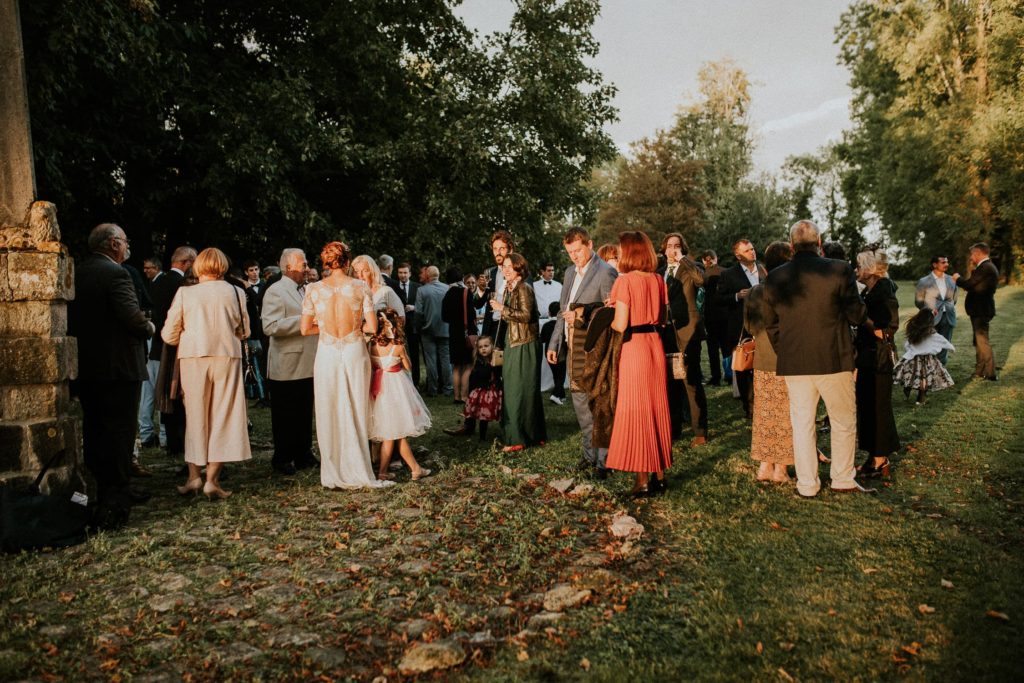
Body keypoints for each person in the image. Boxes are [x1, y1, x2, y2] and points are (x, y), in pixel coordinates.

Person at [763, 220, 869, 498]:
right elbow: (856, 314)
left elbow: (770, 323)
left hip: (795, 360)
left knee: (802, 424)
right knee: (843, 420)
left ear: (792, 245)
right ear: (819, 243)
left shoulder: (775, 277)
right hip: (834, 357)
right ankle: (842, 478)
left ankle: (807, 484)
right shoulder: (840, 270)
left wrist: (784, 347)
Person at [69, 223, 156, 528]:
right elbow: (132, 317)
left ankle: (104, 490)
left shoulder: (77, 271)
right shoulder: (116, 274)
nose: (127, 246)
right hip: (119, 367)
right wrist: (150, 327)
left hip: (88, 367)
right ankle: (115, 500)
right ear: (114, 244)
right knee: (120, 433)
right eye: (125, 241)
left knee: (96, 430)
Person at [300, 241, 393, 489]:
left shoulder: (313, 289)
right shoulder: (360, 286)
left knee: (328, 407)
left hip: (327, 352)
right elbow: (372, 327)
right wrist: (353, 328)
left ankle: (333, 470)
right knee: (356, 405)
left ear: (326, 262)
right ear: (347, 261)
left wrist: (327, 328)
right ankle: (358, 466)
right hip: (353, 350)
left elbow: (305, 328)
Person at [161, 247, 251, 500]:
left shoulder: (185, 293)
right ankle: (212, 480)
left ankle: (193, 478)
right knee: (224, 415)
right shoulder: (236, 292)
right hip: (226, 355)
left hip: (193, 357)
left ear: (198, 266)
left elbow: (168, 334)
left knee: (196, 416)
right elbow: (245, 332)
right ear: (222, 266)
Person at [546, 227, 618, 477]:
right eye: (569, 253)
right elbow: (562, 311)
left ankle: (605, 461)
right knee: (579, 405)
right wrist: (555, 343)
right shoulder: (568, 273)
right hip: (572, 347)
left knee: (599, 405)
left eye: (578, 250)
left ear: (590, 244)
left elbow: (611, 313)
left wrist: (582, 314)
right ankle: (589, 456)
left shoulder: (606, 271)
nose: (574, 256)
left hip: (594, 349)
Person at [606, 231, 673, 496]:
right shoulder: (658, 279)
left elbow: (620, 324)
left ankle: (642, 478)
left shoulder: (624, 282)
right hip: (655, 344)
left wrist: (606, 317)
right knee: (657, 406)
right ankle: (659, 475)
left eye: (622, 250)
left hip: (634, 347)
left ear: (630, 252)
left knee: (637, 408)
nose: (620, 254)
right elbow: (665, 316)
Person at [261, 248, 319, 476]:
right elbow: (270, 326)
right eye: (303, 265)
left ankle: (303, 453)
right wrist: (303, 321)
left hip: (308, 360)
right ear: (289, 268)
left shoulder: (306, 289)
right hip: (286, 363)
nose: (306, 269)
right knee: (285, 413)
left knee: (304, 410)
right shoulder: (275, 291)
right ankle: (282, 457)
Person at [744, 241, 795, 483]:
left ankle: (765, 466)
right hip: (787, 358)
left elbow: (748, 326)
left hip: (762, 358)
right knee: (786, 415)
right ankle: (781, 470)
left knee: (764, 414)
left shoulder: (755, 291)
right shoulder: (791, 291)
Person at [490, 253, 547, 452]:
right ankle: (532, 434)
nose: (505, 270)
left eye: (509, 266)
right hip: (514, 341)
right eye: (503, 266)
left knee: (518, 389)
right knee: (520, 388)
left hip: (524, 343)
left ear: (518, 269)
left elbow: (526, 315)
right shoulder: (511, 288)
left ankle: (518, 438)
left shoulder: (524, 288)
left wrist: (501, 308)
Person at [367, 308, 432, 480]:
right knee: (396, 433)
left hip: (379, 391)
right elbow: (408, 367)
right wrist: (403, 355)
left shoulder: (371, 346)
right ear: (394, 328)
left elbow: (372, 366)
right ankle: (414, 469)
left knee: (390, 434)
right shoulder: (398, 347)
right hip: (395, 391)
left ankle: (384, 471)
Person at [854, 247, 900, 478]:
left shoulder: (883, 292)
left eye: (860, 266)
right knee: (867, 407)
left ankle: (881, 459)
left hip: (878, 358)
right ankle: (874, 455)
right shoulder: (870, 291)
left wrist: (864, 321)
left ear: (870, 269)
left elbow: (887, 330)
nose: (856, 270)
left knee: (878, 407)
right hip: (867, 357)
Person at [150, 246, 197, 459]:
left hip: (160, 345)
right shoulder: (182, 286)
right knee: (177, 393)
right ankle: (179, 441)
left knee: (166, 394)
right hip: (177, 346)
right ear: (187, 263)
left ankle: (170, 440)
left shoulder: (158, 282)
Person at [661, 233, 707, 447]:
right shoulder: (660, 273)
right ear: (663, 249)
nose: (673, 249)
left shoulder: (690, 267)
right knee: (670, 383)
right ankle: (674, 428)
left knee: (691, 380)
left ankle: (700, 431)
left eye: (677, 246)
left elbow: (701, 280)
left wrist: (683, 260)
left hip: (688, 331)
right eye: (669, 246)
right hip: (666, 331)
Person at [717, 239, 766, 418]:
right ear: (738, 255)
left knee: (763, 365)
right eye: (747, 251)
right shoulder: (729, 274)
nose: (752, 252)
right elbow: (719, 299)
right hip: (740, 327)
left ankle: (763, 401)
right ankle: (749, 406)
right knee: (744, 368)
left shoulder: (763, 270)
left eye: (752, 249)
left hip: (764, 326)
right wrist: (737, 296)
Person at [952, 242, 999, 380]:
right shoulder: (986, 267)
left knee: (982, 341)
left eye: (972, 254)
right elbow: (975, 286)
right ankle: (980, 371)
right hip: (979, 309)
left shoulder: (985, 268)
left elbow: (970, 284)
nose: (971, 257)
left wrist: (957, 279)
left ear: (978, 253)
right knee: (978, 341)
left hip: (981, 310)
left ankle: (990, 373)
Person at [894, 308, 955, 405]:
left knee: (914, 376)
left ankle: (909, 388)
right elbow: (943, 341)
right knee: (924, 378)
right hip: (928, 361)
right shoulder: (932, 335)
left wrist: (910, 351)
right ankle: (920, 397)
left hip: (914, 359)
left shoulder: (915, 333)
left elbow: (907, 344)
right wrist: (951, 348)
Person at [441, 267, 477, 403]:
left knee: (456, 366)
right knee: (468, 366)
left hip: (453, 332)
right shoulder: (466, 292)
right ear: (461, 278)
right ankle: (464, 395)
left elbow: (444, 317)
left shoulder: (447, 294)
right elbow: (472, 314)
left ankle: (456, 397)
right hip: (467, 333)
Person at [415, 266, 452, 397]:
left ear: (427, 276)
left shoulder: (422, 290)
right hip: (445, 328)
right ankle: (448, 388)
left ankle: (433, 389)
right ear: (438, 275)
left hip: (428, 329)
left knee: (431, 361)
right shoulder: (447, 288)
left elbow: (418, 312)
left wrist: (417, 329)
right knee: (446, 360)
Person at [914, 255, 957, 365]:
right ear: (934, 264)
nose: (946, 264)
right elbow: (919, 301)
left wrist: (948, 308)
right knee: (929, 344)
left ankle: (941, 370)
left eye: (947, 262)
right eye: (943, 262)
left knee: (944, 345)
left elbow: (954, 299)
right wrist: (929, 311)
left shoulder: (951, 280)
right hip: (931, 319)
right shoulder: (924, 281)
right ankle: (930, 368)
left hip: (948, 317)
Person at [481, 230, 514, 341]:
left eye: (502, 249)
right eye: (495, 249)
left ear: (510, 249)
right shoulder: (489, 273)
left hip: (512, 327)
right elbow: (478, 303)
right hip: (492, 327)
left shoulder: (520, 272)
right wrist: (480, 290)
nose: (497, 252)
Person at [700, 250, 726, 386]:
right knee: (728, 347)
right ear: (716, 258)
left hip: (710, 316)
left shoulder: (703, 275)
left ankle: (716, 377)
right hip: (725, 314)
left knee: (712, 348)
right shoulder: (726, 272)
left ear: (704, 260)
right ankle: (730, 375)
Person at [353, 255, 404, 320]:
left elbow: (401, 319)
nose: (360, 275)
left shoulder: (385, 291)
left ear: (373, 272)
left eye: (365, 271)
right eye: (356, 271)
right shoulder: (350, 294)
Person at [394, 262, 421, 387]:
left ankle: (415, 382)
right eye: (400, 272)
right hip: (399, 325)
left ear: (410, 273)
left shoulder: (417, 287)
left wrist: (414, 307)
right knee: (399, 354)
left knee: (414, 354)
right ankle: (403, 383)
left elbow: (423, 305)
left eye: (405, 272)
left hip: (414, 325)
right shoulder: (393, 286)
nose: (403, 275)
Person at [540, 301, 567, 405]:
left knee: (556, 374)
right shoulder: (562, 325)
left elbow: (542, 339)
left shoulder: (546, 325)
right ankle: (555, 395)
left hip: (548, 353)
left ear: (549, 313)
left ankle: (562, 395)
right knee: (561, 375)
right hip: (561, 352)